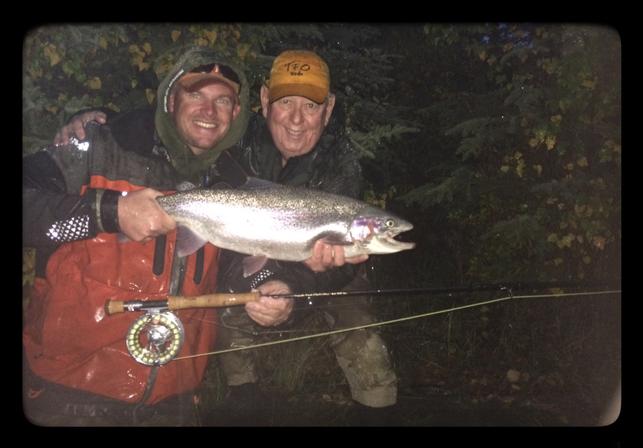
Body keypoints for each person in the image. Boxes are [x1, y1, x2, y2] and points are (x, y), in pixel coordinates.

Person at [53, 50, 398, 424]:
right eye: (285, 103)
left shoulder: (341, 163)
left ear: (328, 110)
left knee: (356, 318)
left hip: (310, 260)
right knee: (233, 294)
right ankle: (241, 392)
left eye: (311, 106)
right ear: (264, 101)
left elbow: (340, 265)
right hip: (241, 243)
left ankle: (377, 407)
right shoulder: (230, 139)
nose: (297, 120)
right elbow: (169, 124)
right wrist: (95, 119)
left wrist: (298, 279)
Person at [22, 46, 294, 426]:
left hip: (175, 400)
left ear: (236, 113)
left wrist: (268, 285)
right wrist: (109, 211)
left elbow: (238, 262)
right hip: (68, 394)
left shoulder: (234, 181)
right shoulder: (97, 145)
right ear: (170, 98)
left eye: (223, 101)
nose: (208, 111)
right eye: (195, 94)